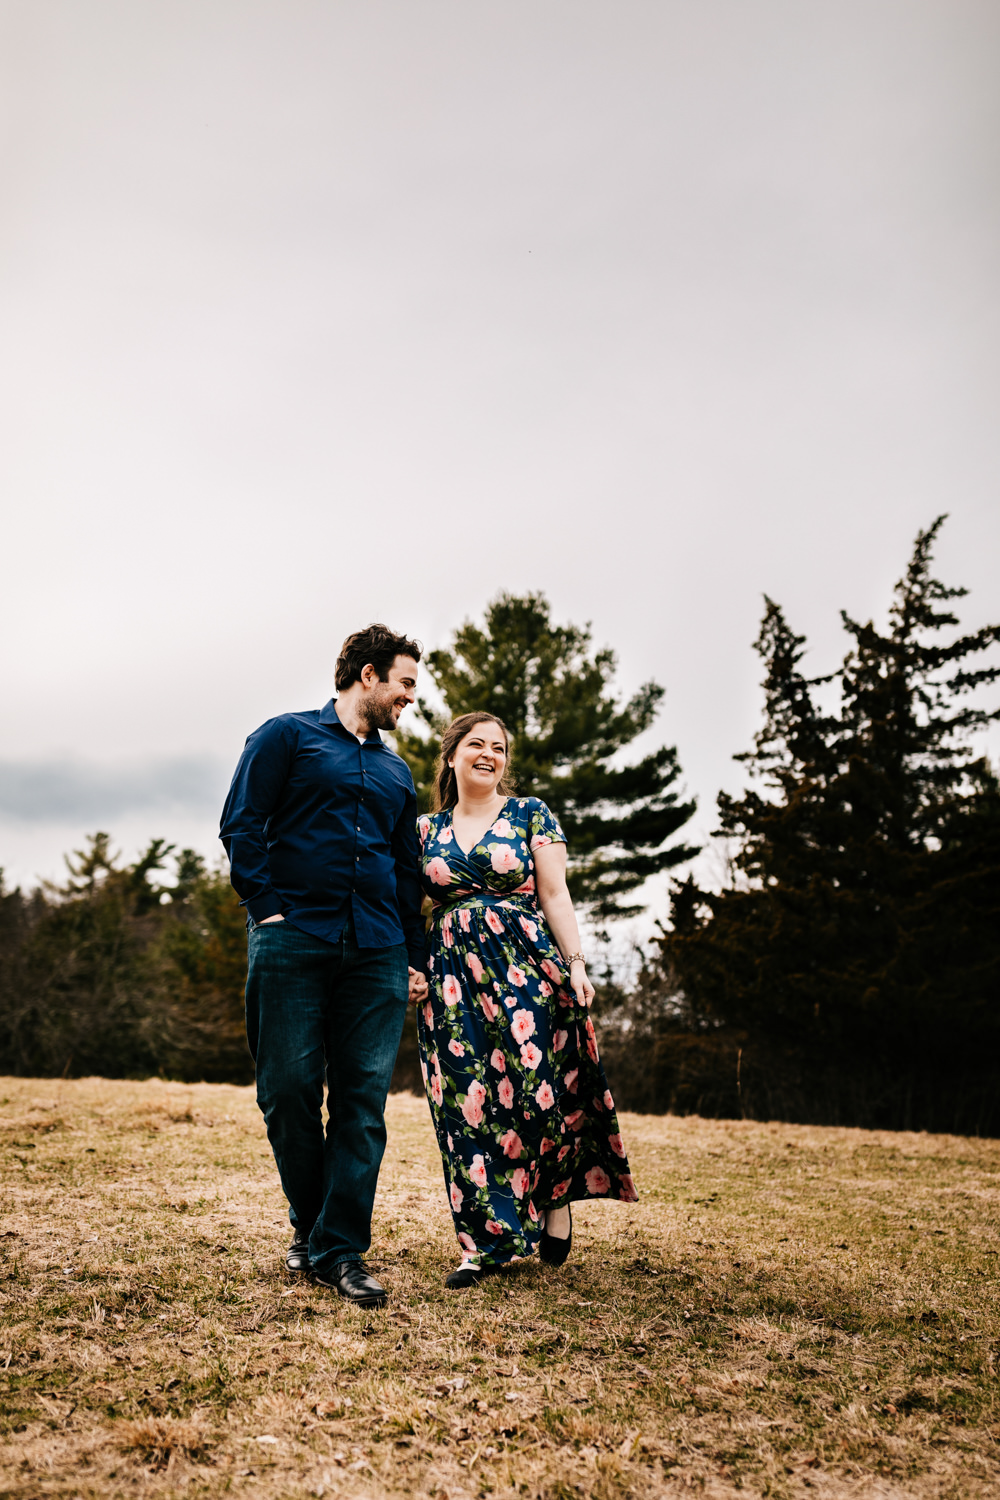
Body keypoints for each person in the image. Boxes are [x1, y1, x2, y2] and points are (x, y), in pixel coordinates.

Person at [220, 624, 429, 1309]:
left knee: (363, 1103)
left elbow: (405, 870)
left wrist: (412, 953)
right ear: (367, 675)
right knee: (287, 1094)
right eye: (403, 683)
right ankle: (310, 1228)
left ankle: (339, 1249)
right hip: (291, 942)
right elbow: (241, 823)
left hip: (376, 951)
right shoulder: (285, 737)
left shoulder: (397, 772)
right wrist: (268, 908)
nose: (408, 699)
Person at [415, 711, 638, 1289]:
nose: (489, 754)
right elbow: (402, 909)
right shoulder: (423, 831)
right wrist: (409, 967)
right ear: (452, 755)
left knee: (536, 1095)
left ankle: (553, 1194)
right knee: (466, 1106)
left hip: (525, 969)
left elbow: (556, 894)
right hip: (451, 981)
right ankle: (483, 1245)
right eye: (477, 744)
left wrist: (576, 963)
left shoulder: (529, 814)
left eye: (500, 747)